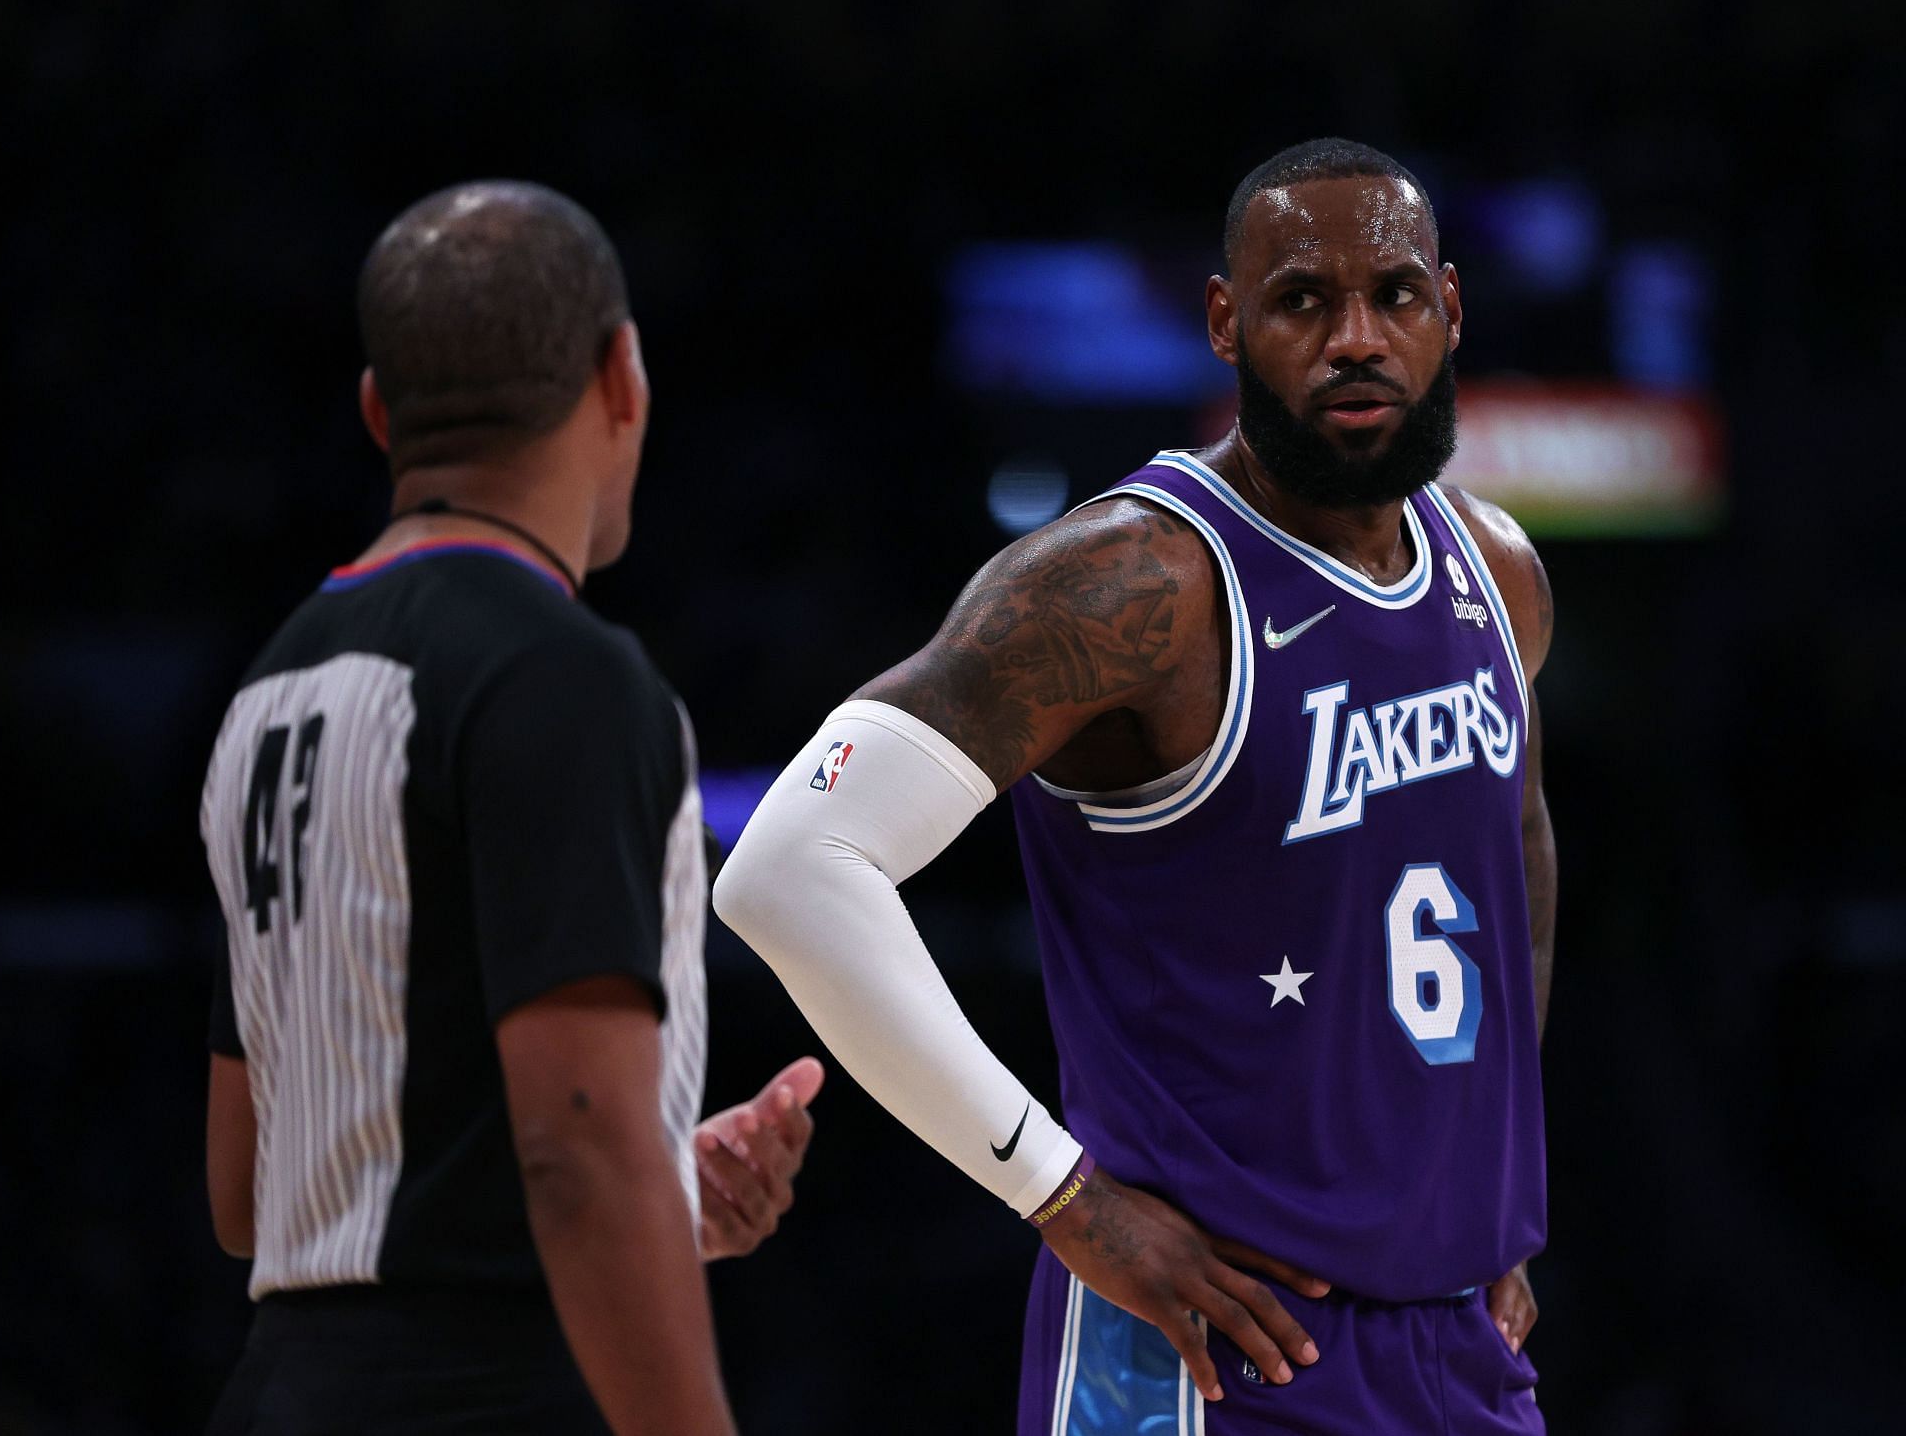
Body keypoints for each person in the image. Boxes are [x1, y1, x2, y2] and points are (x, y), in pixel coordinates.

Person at [714, 137, 1555, 1434]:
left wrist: (1486, 1174)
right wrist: (1062, 1193)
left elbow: (1512, 850)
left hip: (1460, 1344)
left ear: (1449, 306)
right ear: (1225, 322)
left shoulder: (1494, 574)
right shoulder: (1135, 582)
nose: (1354, 338)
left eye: (1392, 295)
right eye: (1300, 300)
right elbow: (790, 866)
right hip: (1204, 1352)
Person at [199, 181, 822, 1436]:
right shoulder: (566, 675)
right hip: (493, 1397)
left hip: (283, 1390)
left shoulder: (271, 686)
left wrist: (662, 1185)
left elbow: (249, 1190)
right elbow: (576, 1159)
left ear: (381, 411)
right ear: (621, 376)